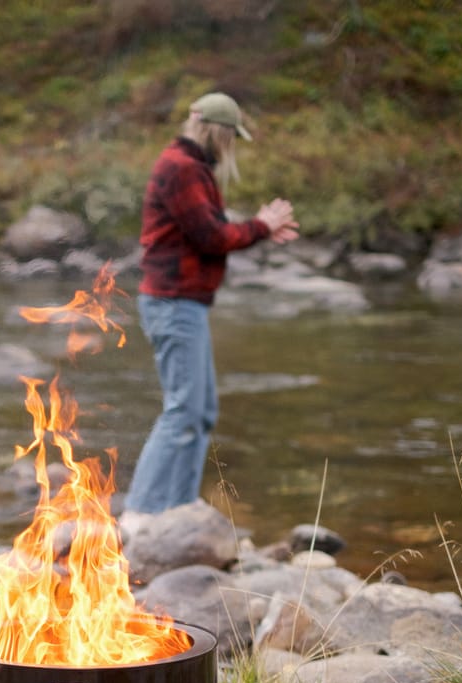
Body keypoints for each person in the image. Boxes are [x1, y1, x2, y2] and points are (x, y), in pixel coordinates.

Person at [120, 91, 299, 536]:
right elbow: (210, 236)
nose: (230, 145)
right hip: (173, 303)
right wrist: (262, 225)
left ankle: (177, 511)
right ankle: (141, 513)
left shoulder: (189, 167)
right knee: (183, 411)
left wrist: (258, 227)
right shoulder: (182, 168)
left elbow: (209, 231)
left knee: (200, 412)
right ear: (217, 131)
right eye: (230, 136)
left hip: (183, 303)